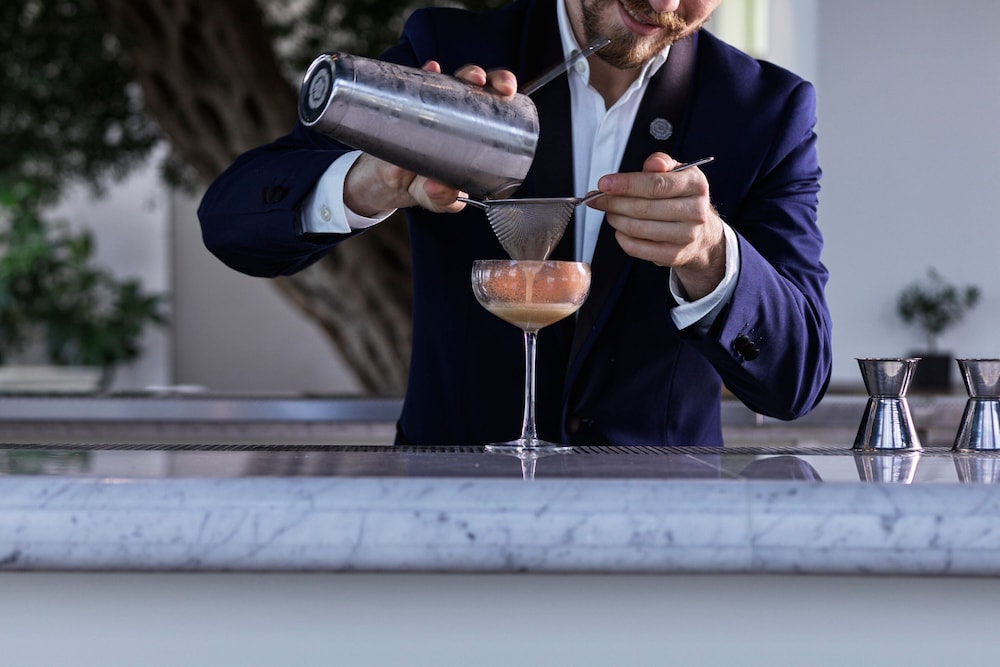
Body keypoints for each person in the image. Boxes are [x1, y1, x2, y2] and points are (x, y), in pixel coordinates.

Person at [198, 0, 832, 447]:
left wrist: (712, 256)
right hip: (453, 519)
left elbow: (796, 383)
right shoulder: (449, 48)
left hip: (657, 539)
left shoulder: (765, 112)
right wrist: (368, 180)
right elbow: (231, 221)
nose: (664, 3)